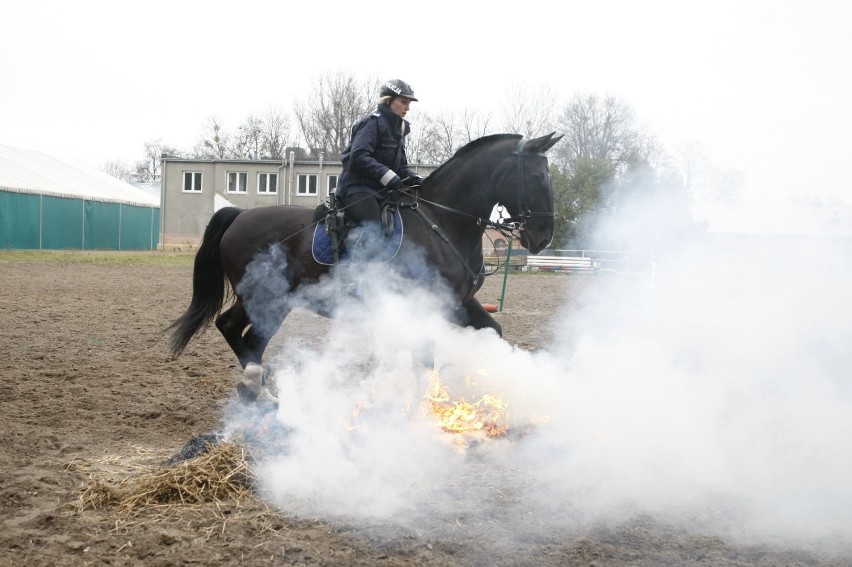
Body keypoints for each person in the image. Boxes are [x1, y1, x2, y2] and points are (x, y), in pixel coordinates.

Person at [334, 79, 423, 262]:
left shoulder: (400, 130)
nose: (407, 108)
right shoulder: (371, 123)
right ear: (389, 100)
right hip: (357, 189)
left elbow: (401, 167)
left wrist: (418, 179)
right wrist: (388, 176)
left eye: (409, 103)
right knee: (374, 229)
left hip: (381, 192)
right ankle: (353, 278)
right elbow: (358, 157)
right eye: (403, 102)